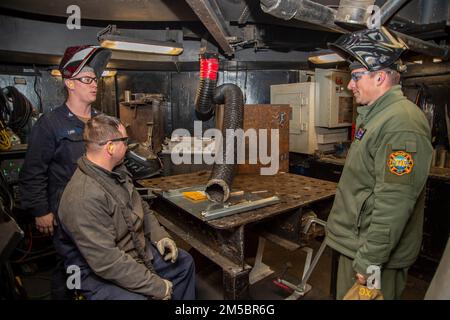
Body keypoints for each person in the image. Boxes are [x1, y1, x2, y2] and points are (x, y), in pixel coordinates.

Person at [325, 27, 433, 300]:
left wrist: (370, 260)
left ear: (381, 77)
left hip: (371, 256)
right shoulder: (377, 116)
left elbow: (394, 202)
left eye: (356, 77)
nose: (350, 85)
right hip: (358, 246)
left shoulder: (400, 123)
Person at [57, 114, 196, 300]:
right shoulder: (83, 197)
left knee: (184, 263)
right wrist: (156, 287)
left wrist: (159, 235)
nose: (128, 145)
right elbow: (107, 261)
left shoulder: (116, 171)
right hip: (96, 271)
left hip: (132, 250)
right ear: (111, 147)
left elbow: (141, 207)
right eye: (125, 141)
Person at [19, 45, 111, 298]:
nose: (94, 84)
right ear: (70, 83)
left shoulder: (103, 122)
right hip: (66, 213)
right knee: (71, 266)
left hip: (101, 210)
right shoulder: (51, 124)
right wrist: (41, 211)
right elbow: (33, 171)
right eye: (87, 79)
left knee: (99, 266)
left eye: (96, 80)